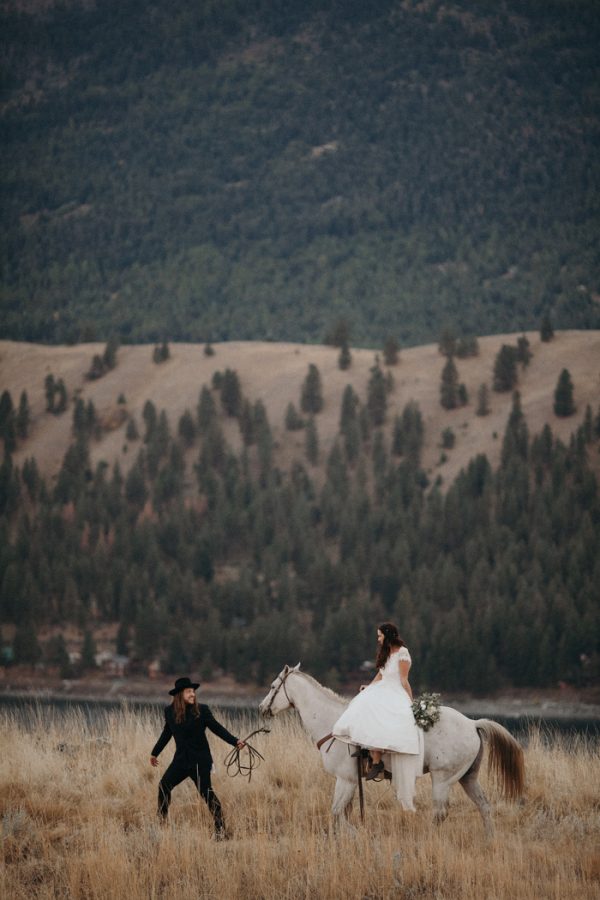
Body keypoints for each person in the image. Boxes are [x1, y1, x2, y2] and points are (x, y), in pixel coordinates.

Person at [150, 676, 245, 838]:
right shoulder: (169, 712)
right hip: (180, 761)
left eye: (193, 691)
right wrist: (155, 752)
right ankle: (161, 823)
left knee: (207, 794)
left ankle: (220, 830)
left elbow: (217, 728)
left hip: (200, 762)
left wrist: (235, 741)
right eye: (189, 692)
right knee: (163, 786)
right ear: (180, 694)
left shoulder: (202, 710)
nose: (192, 694)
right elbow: (167, 733)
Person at [332, 622, 420, 785]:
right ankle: (364, 749)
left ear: (387, 635)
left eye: (380, 635)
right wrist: (369, 687)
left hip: (395, 690)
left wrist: (410, 700)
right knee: (362, 702)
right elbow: (380, 675)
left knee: (378, 712)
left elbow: (403, 679)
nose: (378, 639)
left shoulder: (402, 652)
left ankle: (377, 761)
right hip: (383, 686)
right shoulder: (386, 652)